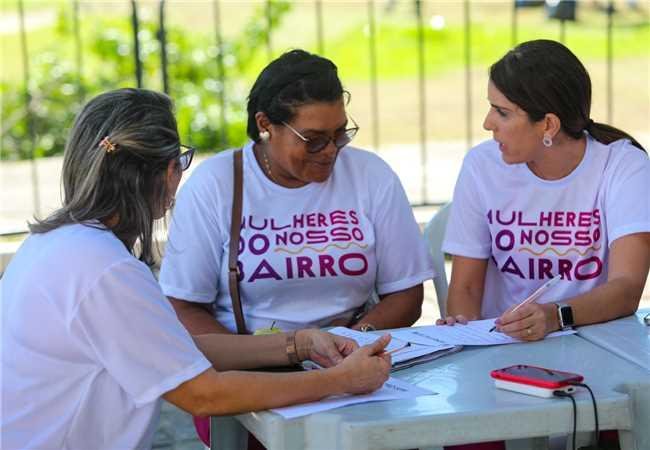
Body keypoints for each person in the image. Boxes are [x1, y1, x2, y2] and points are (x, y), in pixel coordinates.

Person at [0, 88, 393, 450]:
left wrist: (300, 343)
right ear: (169, 171)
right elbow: (204, 393)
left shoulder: (57, 242)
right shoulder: (105, 269)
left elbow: (168, 347)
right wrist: (339, 381)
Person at [160, 49, 433, 335]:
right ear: (265, 125)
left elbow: (406, 294)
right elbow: (183, 308)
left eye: (340, 134)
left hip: (353, 356)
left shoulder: (371, 175)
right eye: (313, 140)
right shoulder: (215, 184)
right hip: (252, 368)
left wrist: (351, 342)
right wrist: (269, 355)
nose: (330, 151)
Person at [439, 39, 650, 341]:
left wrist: (555, 316)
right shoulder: (481, 165)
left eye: (502, 112)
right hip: (500, 346)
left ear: (548, 125)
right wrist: (465, 332)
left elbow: (627, 289)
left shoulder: (623, 165)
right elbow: (466, 289)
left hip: (598, 343)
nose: (488, 123)